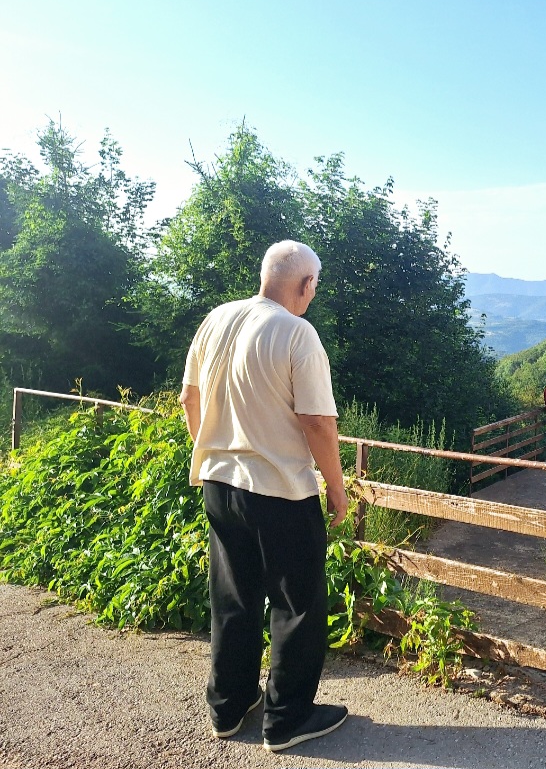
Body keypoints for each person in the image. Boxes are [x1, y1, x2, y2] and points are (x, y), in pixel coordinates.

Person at [179, 240, 350, 753]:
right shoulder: (297, 332)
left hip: (217, 481)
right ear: (305, 285)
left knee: (233, 597)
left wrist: (211, 452)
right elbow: (318, 422)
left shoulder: (217, 319)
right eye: (314, 286)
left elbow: (189, 397)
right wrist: (336, 490)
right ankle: (287, 718)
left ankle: (227, 708)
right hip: (279, 490)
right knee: (297, 603)